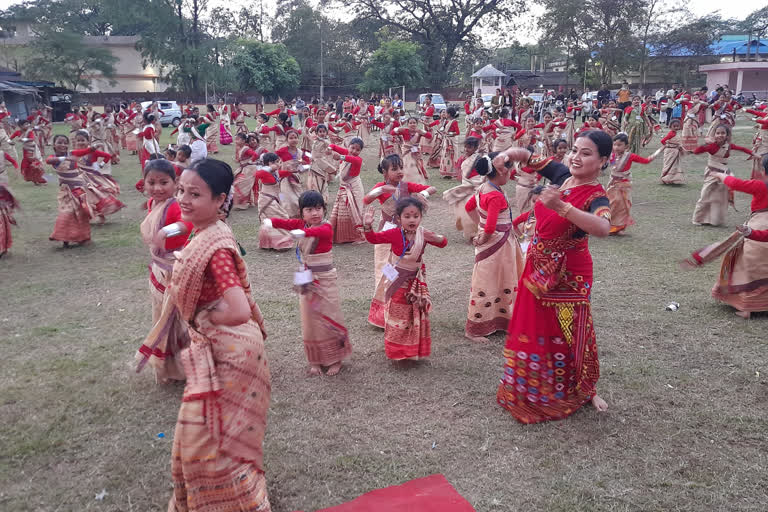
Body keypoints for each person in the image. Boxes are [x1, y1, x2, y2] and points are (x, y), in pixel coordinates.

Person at [139, 158, 272, 511]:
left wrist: (205, 315)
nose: (182, 198)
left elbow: (239, 308)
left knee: (212, 435)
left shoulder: (216, 248)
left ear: (219, 200)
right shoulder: (204, 230)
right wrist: (166, 233)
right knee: (208, 433)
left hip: (229, 350)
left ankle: (235, 500)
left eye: (194, 193)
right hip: (214, 347)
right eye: (181, 190)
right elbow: (178, 227)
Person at [494, 130, 612, 424]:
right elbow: (527, 157)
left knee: (570, 330)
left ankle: (585, 388)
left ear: (603, 161)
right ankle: (533, 386)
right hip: (538, 265)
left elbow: (603, 227)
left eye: (586, 153)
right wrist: (508, 155)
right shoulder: (561, 174)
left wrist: (562, 206)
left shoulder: (596, 195)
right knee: (536, 327)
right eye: (575, 150)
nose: (576, 157)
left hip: (570, 272)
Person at [265, 190, 352, 376]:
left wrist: (301, 233)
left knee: (330, 316)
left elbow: (316, 231)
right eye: (310, 209)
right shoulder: (300, 224)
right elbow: (287, 223)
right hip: (306, 278)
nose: (315, 213)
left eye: (319, 208)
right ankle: (315, 361)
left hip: (325, 279)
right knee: (309, 319)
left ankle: (335, 359)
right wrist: (271, 222)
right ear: (302, 212)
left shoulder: (326, 227)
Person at [362, 197, 447, 360]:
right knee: (397, 315)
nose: (412, 220)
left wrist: (438, 238)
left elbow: (443, 243)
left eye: (415, 216)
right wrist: (367, 226)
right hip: (396, 282)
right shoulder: (394, 233)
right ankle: (396, 351)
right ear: (399, 218)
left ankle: (411, 350)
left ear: (421, 217)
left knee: (413, 314)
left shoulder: (423, 234)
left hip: (415, 283)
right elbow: (373, 239)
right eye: (407, 216)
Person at [135, 159, 192, 382]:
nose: (157, 188)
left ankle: (188, 365)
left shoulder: (176, 204)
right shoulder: (153, 203)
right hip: (159, 270)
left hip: (175, 269)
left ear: (175, 183)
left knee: (178, 319)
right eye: (152, 182)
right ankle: (171, 365)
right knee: (163, 316)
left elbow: (187, 223)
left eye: (163, 182)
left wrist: (167, 230)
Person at [364, 155, 436, 326]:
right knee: (386, 271)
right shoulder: (381, 187)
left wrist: (422, 194)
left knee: (406, 273)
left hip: (406, 237)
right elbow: (366, 199)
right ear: (385, 172)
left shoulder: (406, 186)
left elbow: (432, 188)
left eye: (401, 168)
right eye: (394, 169)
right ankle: (384, 313)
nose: (400, 172)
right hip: (387, 236)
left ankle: (404, 310)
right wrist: (382, 191)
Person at [463, 153, 524, 343]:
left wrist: (479, 228)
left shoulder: (483, 188)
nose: (511, 173)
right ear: (501, 170)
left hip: (495, 243)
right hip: (498, 244)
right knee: (491, 280)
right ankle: (475, 328)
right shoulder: (495, 195)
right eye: (510, 169)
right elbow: (490, 226)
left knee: (499, 279)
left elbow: (469, 207)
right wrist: (484, 233)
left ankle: (500, 320)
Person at [691, 125, 754, 226]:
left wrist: (753, 153)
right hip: (712, 173)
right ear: (714, 134)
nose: (720, 135)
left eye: (723, 133)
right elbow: (696, 151)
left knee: (721, 196)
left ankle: (715, 220)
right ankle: (698, 219)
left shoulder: (728, 146)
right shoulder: (712, 146)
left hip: (723, 174)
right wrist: (705, 144)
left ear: (727, 135)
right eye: (718, 133)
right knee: (705, 195)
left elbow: (741, 148)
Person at [605, 133, 661, 234]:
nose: (616, 147)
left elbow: (646, 161)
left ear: (626, 146)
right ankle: (608, 225)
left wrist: (658, 151)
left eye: (619, 145)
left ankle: (616, 227)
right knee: (611, 203)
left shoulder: (630, 156)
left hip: (623, 184)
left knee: (621, 205)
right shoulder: (612, 155)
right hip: (612, 183)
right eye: (615, 145)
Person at [46, 135, 91, 247]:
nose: (63, 145)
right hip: (66, 192)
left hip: (78, 189)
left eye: (65, 143)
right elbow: (48, 160)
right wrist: (64, 158)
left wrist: (93, 148)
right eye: (59, 143)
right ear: (54, 145)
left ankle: (81, 237)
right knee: (66, 213)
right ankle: (64, 237)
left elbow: (86, 150)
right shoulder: (54, 158)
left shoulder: (73, 154)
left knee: (81, 213)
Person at [443, 137, 485, 241]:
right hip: (465, 188)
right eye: (465, 146)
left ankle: (477, 232)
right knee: (463, 211)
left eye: (469, 147)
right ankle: (470, 233)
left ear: (475, 148)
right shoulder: (463, 159)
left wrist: (477, 184)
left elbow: (482, 175)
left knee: (474, 209)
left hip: (476, 187)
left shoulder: (479, 159)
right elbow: (460, 172)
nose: (466, 149)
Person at [328, 138, 365, 244]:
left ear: (360, 152)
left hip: (354, 188)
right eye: (352, 148)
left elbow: (351, 159)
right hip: (344, 187)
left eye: (357, 150)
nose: (354, 151)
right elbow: (334, 146)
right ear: (348, 146)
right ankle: (343, 235)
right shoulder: (346, 152)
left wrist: (340, 157)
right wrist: (329, 148)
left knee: (355, 210)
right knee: (342, 210)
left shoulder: (358, 159)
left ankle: (355, 234)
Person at [394, 118, 432, 183]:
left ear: (417, 124)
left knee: (417, 164)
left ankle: (416, 179)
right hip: (406, 150)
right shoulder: (405, 131)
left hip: (416, 151)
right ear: (408, 124)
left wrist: (423, 132)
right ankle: (407, 178)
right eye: (410, 123)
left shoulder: (419, 132)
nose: (412, 124)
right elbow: (393, 132)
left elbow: (429, 136)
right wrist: (398, 129)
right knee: (407, 163)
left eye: (414, 123)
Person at [10, 119, 46, 184]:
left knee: (34, 165)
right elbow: (10, 138)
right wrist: (10, 142)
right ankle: (34, 180)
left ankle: (39, 179)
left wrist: (22, 139)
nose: (28, 125)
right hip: (25, 150)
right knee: (27, 166)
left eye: (28, 124)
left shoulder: (30, 131)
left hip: (32, 149)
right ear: (20, 126)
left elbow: (31, 139)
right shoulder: (18, 132)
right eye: (25, 124)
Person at [0, 144, 19, 256]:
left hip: (2, 181)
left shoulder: (2, 154)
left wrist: (17, 170)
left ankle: (2, 246)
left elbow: (14, 161)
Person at [660, 118, 685, 185]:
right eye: (674, 126)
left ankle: (672, 179)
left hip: (675, 152)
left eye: (677, 126)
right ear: (670, 126)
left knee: (674, 165)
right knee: (669, 165)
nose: (676, 127)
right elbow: (662, 141)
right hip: (670, 152)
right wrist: (669, 146)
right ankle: (666, 178)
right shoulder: (671, 134)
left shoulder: (675, 133)